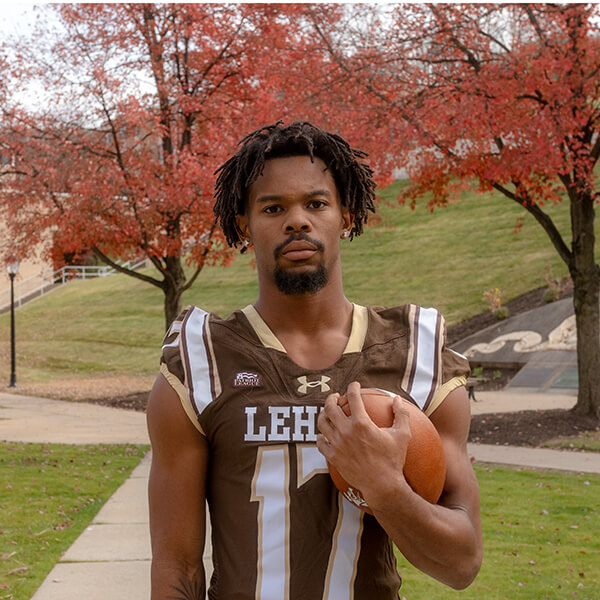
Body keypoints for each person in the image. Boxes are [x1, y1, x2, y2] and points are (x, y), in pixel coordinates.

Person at [147, 121, 482, 599]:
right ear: (244, 225)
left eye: (316, 203)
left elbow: (461, 563)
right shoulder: (204, 359)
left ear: (345, 216)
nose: (297, 220)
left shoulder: (414, 354)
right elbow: (177, 566)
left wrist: (384, 487)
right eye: (273, 207)